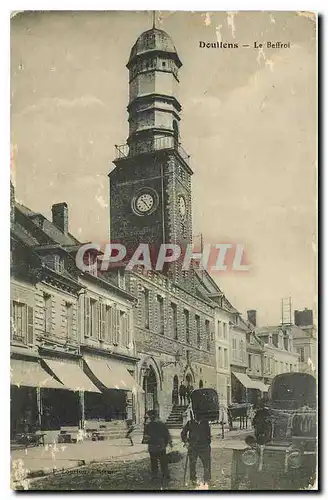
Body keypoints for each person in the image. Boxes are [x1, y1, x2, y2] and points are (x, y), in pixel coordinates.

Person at [142, 409, 173, 486]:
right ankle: (155, 475)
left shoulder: (161, 424)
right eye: (150, 416)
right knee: (154, 462)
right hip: (153, 446)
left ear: (155, 416)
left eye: (152, 416)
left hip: (160, 445)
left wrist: (169, 442)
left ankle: (165, 475)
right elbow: (145, 436)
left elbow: (167, 434)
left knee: (163, 461)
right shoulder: (148, 425)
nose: (150, 417)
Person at [181, 415, 212, 487]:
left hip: (204, 447)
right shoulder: (190, 423)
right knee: (192, 464)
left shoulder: (205, 423)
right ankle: (193, 480)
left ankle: (207, 480)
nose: (197, 416)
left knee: (207, 464)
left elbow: (208, 435)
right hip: (193, 447)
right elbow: (183, 433)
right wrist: (186, 442)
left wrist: (207, 443)